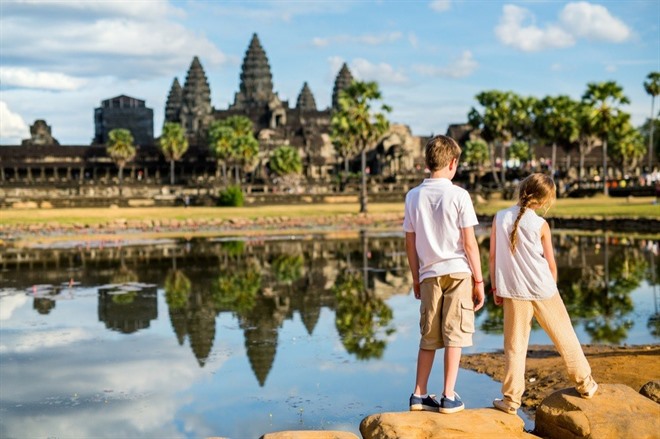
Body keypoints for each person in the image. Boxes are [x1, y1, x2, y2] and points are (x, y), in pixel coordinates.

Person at [489, 173, 598, 415]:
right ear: (543, 201)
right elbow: (551, 265)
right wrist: (554, 290)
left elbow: (493, 256)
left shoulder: (499, 218)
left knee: (514, 347)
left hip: (513, 291)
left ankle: (510, 401)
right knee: (565, 337)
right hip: (544, 289)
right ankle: (586, 385)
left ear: (522, 190)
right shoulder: (540, 224)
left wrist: (495, 286)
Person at [404, 134, 485, 414]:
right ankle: (448, 396)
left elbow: (410, 243)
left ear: (428, 163)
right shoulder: (459, 195)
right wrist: (479, 280)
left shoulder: (413, 196)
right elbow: (469, 243)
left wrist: (416, 277)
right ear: (452, 163)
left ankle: (419, 394)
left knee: (428, 336)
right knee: (455, 335)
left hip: (428, 274)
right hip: (459, 272)